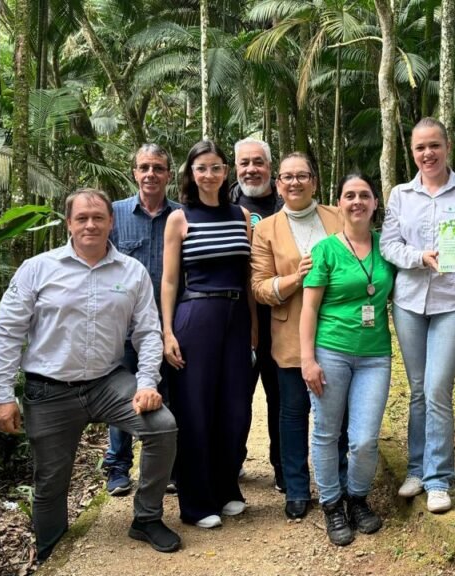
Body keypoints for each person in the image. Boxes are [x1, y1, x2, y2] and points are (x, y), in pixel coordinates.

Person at [0, 188, 181, 562]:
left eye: (98, 218)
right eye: (82, 218)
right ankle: (54, 552)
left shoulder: (132, 271)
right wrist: (1, 396)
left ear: (112, 222)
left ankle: (146, 517)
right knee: (50, 482)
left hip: (107, 382)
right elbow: (8, 332)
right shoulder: (37, 268)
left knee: (161, 425)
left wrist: (146, 383)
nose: (90, 225)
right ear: (69, 224)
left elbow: (147, 332)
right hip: (49, 390)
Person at [380, 118, 455, 513]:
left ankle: (439, 478)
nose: (428, 154)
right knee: (418, 388)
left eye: (434, 146)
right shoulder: (400, 195)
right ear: (412, 152)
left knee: (438, 387)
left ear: (447, 148)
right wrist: (419, 258)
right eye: (420, 148)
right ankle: (416, 469)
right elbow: (389, 245)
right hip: (409, 301)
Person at [160, 140, 257, 529]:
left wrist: (252, 328)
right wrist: (167, 331)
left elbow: (248, 279)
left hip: (235, 318)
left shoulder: (243, 216)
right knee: (195, 409)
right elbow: (169, 280)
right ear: (191, 174)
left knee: (235, 407)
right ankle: (197, 503)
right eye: (202, 168)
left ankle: (226, 488)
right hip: (195, 315)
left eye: (216, 167)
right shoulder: (179, 219)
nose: (209, 174)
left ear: (225, 171)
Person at [249, 152, 348, 520]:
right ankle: (295, 486)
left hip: (339, 330)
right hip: (290, 333)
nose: (295, 182)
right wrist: (296, 277)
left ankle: (336, 481)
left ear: (314, 182)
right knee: (293, 412)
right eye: (287, 177)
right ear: (278, 185)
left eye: (302, 175)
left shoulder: (337, 217)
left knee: (337, 411)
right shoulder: (266, 228)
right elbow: (259, 287)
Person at [300, 174, 395, 546]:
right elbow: (309, 309)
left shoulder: (386, 246)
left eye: (365, 196)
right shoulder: (325, 250)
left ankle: (356, 497)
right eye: (349, 195)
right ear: (338, 203)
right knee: (326, 431)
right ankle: (332, 503)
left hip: (375, 356)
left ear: (375, 203)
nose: (357, 201)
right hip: (331, 351)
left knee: (365, 439)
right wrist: (308, 360)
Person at [103, 143, 182, 497]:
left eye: (158, 168)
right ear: (134, 172)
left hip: (171, 324)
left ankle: (167, 469)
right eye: (144, 167)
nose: (151, 174)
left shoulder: (182, 215)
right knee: (123, 395)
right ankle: (118, 468)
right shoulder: (113, 214)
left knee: (169, 396)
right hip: (122, 326)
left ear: (169, 174)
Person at [232, 137, 284, 492]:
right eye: (244, 163)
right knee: (236, 398)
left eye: (258, 162)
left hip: (282, 318)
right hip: (237, 320)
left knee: (282, 399)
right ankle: (231, 463)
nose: (251, 169)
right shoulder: (223, 205)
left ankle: (284, 467)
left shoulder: (288, 205)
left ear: (270, 166)